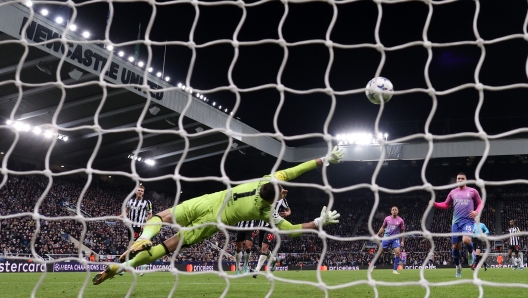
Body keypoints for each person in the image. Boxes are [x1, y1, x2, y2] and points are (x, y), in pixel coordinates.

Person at [92, 146, 345, 285]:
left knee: (160, 216)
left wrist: (325, 159)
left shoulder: (270, 179)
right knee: (169, 246)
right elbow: (289, 229)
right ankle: (123, 266)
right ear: (277, 197)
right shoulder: (265, 210)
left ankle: (144, 236)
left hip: (205, 202)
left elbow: (296, 169)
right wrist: (318, 222)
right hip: (210, 222)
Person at [430, 172, 483, 278]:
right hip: (456, 223)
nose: (460, 180)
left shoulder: (473, 191)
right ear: (456, 180)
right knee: (455, 246)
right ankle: (458, 267)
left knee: (466, 240)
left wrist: (477, 211)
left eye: (462, 178)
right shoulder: (453, 192)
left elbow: (480, 203)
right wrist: (435, 204)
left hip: (468, 221)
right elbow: (446, 204)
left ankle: (469, 252)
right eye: (458, 178)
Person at [252, 194, 291, 278]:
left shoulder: (282, 199)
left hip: (273, 226)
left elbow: (288, 210)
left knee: (264, 247)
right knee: (261, 248)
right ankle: (274, 260)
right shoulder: (264, 195)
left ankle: (257, 270)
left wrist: (287, 213)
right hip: (262, 224)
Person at [119, 185, 153, 277]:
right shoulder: (130, 201)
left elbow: (150, 214)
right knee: (133, 246)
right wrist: (121, 216)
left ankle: (123, 268)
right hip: (130, 226)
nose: (140, 192)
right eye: (138, 190)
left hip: (139, 227)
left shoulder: (147, 203)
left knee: (133, 246)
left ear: (143, 193)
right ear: (135, 191)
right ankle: (142, 264)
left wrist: (145, 223)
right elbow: (126, 211)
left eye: (142, 191)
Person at [370, 206, 405, 274]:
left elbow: (403, 231)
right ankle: (374, 266)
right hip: (386, 238)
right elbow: (383, 227)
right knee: (380, 253)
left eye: (395, 210)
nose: (394, 211)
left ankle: (395, 270)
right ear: (391, 211)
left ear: (398, 211)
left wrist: (402, 240)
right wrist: (377, 234)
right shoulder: (387, 219)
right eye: (393, 210)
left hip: (395, 239)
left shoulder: (401, 220)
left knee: (398, 253)